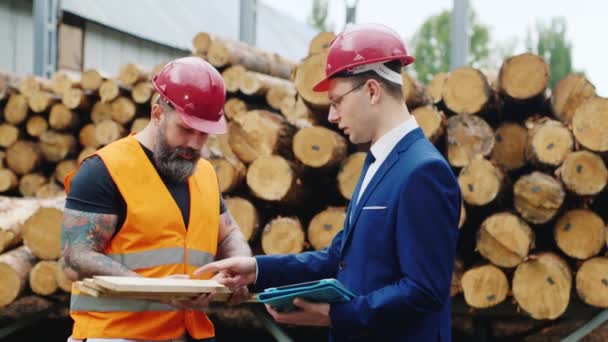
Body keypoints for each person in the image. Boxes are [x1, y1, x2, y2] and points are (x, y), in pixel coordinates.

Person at [195, 23, 462, 341]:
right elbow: (339, 258)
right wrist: (257, 269)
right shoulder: (378, 162)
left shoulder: (423, 172)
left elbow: (424, 290)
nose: (332, 116)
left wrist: (337, 316)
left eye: (336, 102)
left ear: (373, 91)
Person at [60, 56, 252, 342]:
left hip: (192, 332)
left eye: (204, 135)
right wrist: (153, 289)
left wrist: (239, 265)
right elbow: (75, 256)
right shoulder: (104, 169)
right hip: (117, 334)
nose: (194, 144)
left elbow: (229, 233)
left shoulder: (206, 174)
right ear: (158, 114)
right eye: (186, 129)